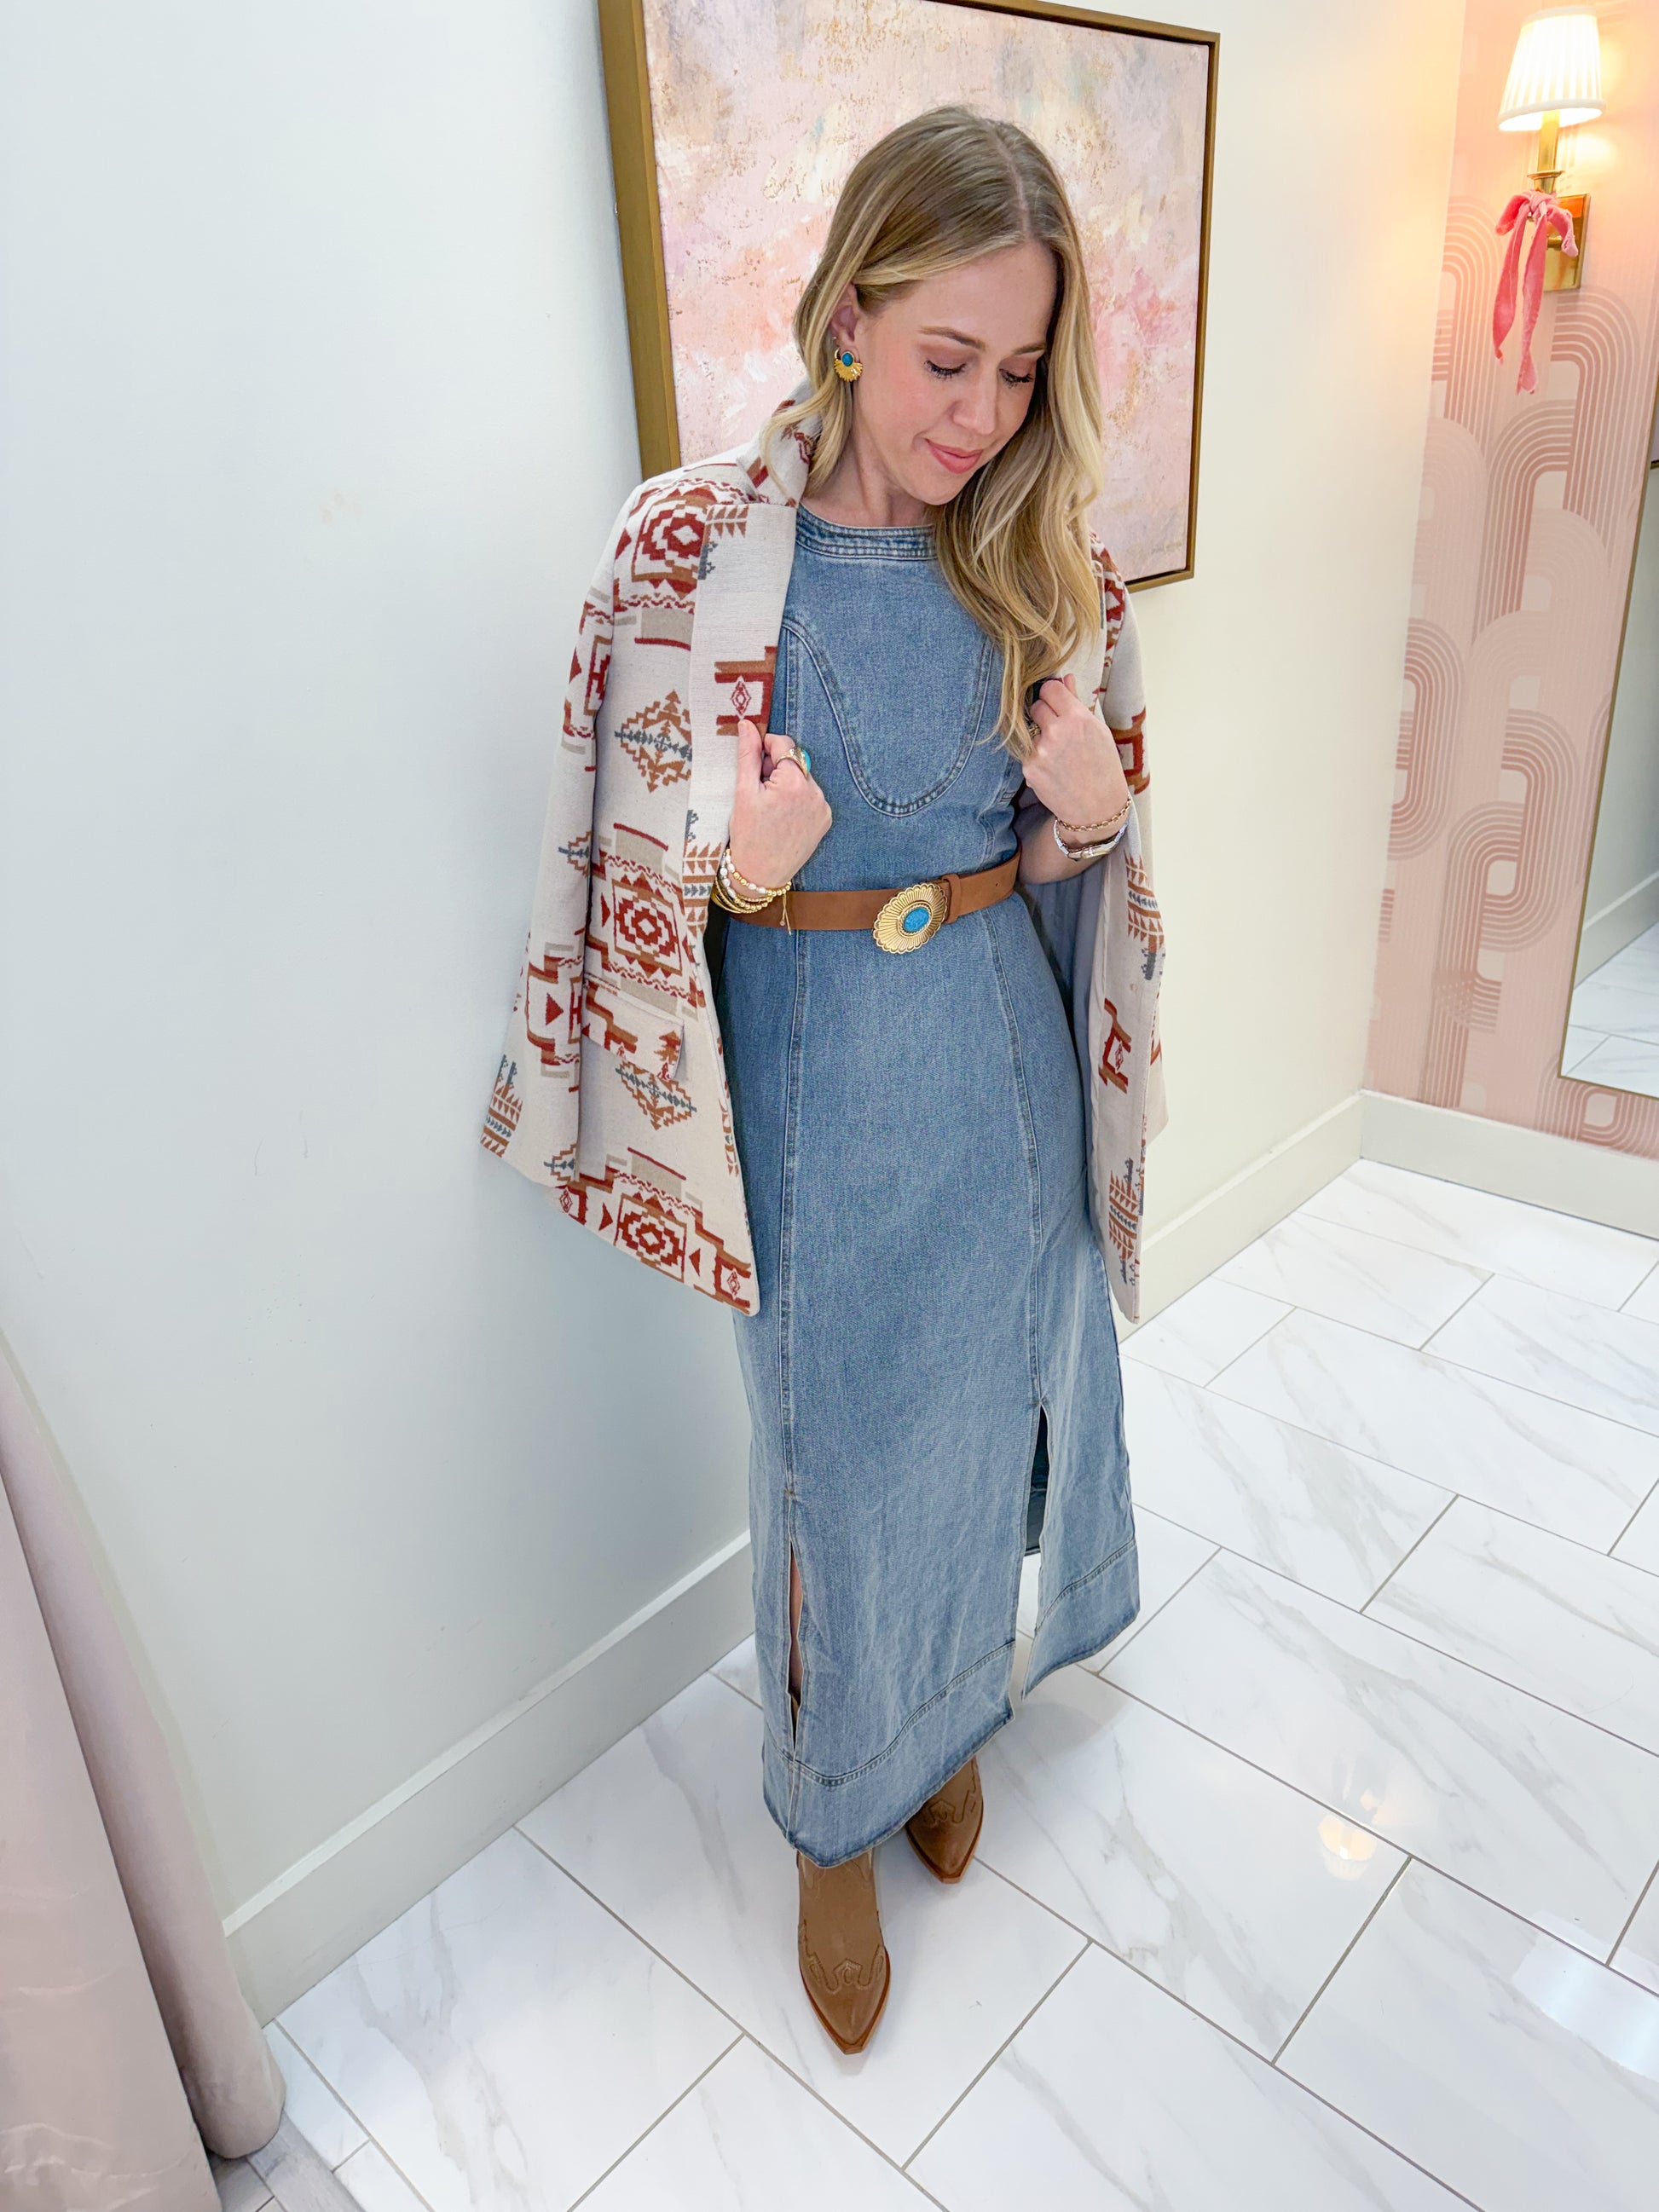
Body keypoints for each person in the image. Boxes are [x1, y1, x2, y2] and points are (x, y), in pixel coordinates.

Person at [483, 104, 1165, 2059]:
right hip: (811, 1066)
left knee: (990, 1410)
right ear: (849, 310)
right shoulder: (688, 552)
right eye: (947, 356)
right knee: (834, 1465)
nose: (980, 413)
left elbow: (1075, 872)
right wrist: (740, 869)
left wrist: (1092, 815)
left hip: (999, 1053)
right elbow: (609, 870)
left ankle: (945, 1723)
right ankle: (831, 1813)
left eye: (1019, 369)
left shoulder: (1046, 554)